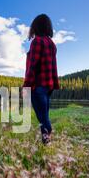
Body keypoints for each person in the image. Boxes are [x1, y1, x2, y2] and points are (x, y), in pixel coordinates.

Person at [23, 14, 59, 144]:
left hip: (37, 86)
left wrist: (26, 86)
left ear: (36, 27)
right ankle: (46, 144)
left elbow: (32, 67)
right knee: (44, 116)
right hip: (48, 86)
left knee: (43, 119)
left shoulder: (37, 41)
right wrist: (53, 84)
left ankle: (48, 138)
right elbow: (53, 66)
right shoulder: (51, 43)